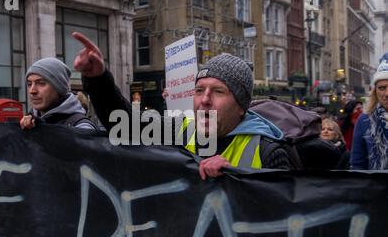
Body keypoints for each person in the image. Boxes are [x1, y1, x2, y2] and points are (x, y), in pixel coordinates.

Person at [72, 32, 292, 179]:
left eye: (218, 91)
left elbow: (281, 225)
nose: (204, 99)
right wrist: (98, 78)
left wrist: (236, 178)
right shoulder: (181, 129)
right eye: (199, 90)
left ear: (241, 106)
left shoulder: (268, 152)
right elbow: (124, 125)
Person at [20, 57, 97, 130]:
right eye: (29, 84)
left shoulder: (81, 127)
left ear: (59, 87)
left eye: (41, 83)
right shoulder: (29, 123)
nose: (32, 91)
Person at [351, 59, 388, 170]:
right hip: (377, 185)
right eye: (382, 88)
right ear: (375, 91)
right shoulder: (364, 120)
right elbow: (357, 164)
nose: (387, 93)